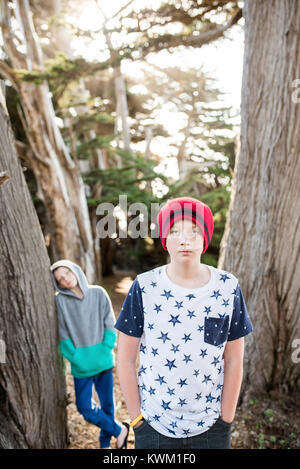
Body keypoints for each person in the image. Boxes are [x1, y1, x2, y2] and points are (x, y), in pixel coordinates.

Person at [115, 196, 253, 449]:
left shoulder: (227, 287)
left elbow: (233, 360)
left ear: (205, 238)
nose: (184, 239)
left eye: (194, 231)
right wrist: (137, 420)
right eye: (175, 230)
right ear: (165, 239)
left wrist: (226, 420)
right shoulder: (144, 287)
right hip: (154, 427)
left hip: (211, 427)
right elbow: (124, 358)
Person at [50, 259, 129, 449]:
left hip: (103, 361)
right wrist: (75, 358)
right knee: (85, 407)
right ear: (57, 284)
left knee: (107, 406)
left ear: (75, 270)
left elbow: (109, 323)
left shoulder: (98, 293)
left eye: (67, 273)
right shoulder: (60, 300)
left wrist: (106, 348)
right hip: (81, 366)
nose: (66, 279)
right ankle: (120, 431)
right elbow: (63, 333)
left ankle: (105, 445)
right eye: (60, 279)